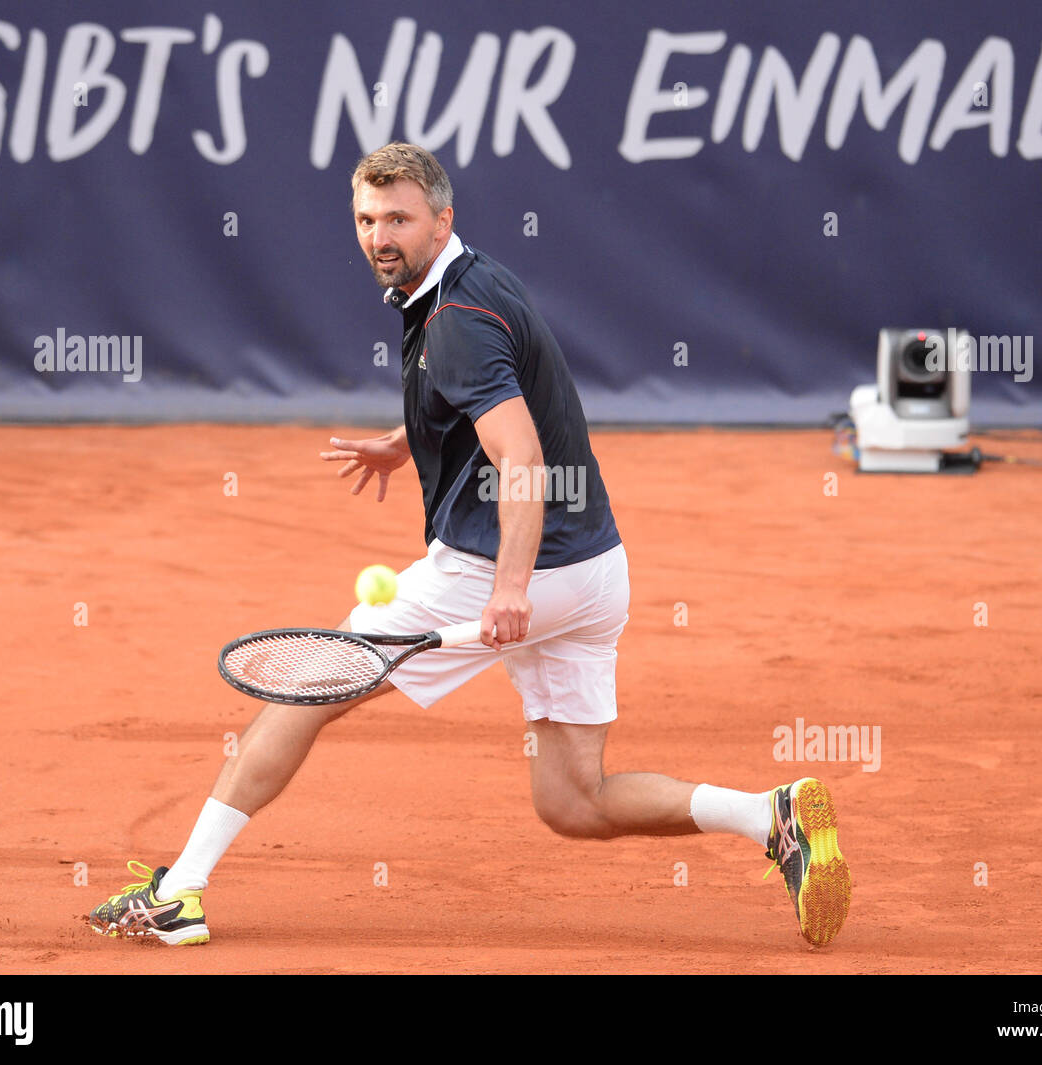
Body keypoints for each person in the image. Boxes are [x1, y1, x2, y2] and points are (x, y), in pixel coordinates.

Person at [88, 143, 851, 948]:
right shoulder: (471, 281)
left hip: (504, 568)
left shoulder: (452, 322)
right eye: (366, 219)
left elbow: (521, 456)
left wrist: (512, 587)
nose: (380, 235)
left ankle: (182, 890)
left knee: (305, 688)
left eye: (399, 219)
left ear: (441, 218)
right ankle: (773, 816)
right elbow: (492, 397)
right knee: (573, 800)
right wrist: (405, 439)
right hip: (595, 573)